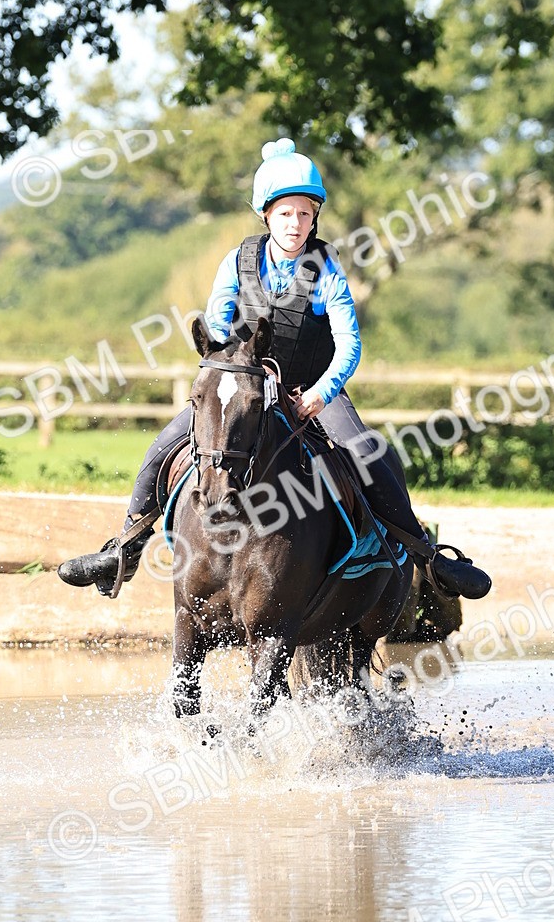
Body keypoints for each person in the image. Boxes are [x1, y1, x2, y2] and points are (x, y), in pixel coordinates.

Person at [58, 138, 491, 601]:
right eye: (286, 213)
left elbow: (349, 344)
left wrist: (322, 394)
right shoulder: (237, 262)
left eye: (305, 213)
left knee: (366, 451)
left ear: (314, 217)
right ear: (266, 215)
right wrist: (230, 372)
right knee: (164, 443)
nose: (295, 223)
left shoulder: (326, 269)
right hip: (245, 388)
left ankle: (428, 558)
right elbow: (217, 329)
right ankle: (124, 550)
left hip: (311, 390)